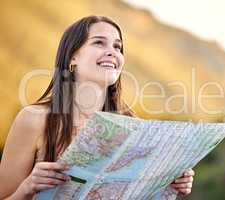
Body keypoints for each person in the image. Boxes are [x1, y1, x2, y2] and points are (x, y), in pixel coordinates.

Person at [0, 15, 195, 199]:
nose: (112, 52)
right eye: (99, 42)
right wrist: (27, 187)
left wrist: (171, 184)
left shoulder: (134, 126)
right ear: (72, 58)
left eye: (118, 47)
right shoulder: (34, 118)